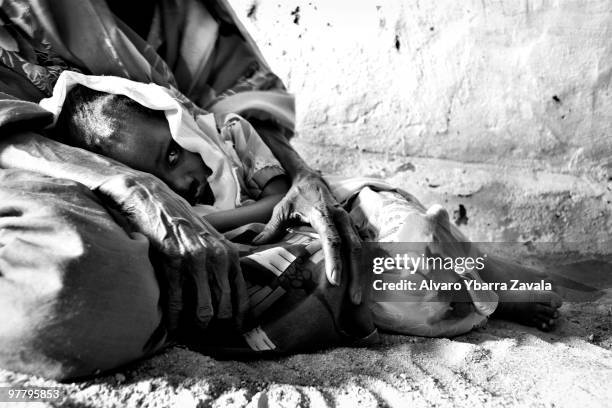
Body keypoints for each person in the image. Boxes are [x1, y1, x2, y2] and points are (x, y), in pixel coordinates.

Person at [47, 75, 562, 350]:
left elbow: (277, 197)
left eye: (173, 150)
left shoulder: (232, 138)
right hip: (288, 245)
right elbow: (239, 231)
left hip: (324, 209)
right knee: (346, 278)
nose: (183, 174)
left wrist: (211, 216)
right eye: (164, 175)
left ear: (177, 121)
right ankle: (448, 277)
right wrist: (199, 217)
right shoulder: (175, 215)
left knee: (376, 204)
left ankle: (478, 277)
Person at [0, 0, 368, 379]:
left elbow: (236, 109)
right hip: (32, 167)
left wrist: (304, 177)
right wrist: (132, 186)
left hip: (181, 207)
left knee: (359, 217)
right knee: (67, 294)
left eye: (175, 155)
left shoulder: (183, 10)